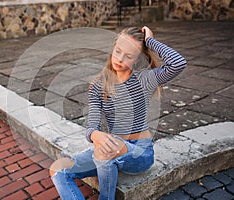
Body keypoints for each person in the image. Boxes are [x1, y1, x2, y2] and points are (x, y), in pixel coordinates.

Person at [49, 26, 187, 200]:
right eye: (118, 51)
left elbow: (178, 63)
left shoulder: (144, 79)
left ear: (137, 60)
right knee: (58, 168)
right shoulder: (99, 85)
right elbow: (92, 125)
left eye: (129, 56)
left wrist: (150, 41)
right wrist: (94, 134)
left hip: (139, 152)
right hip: (110, 148)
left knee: (104, 151)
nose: (120, 59)